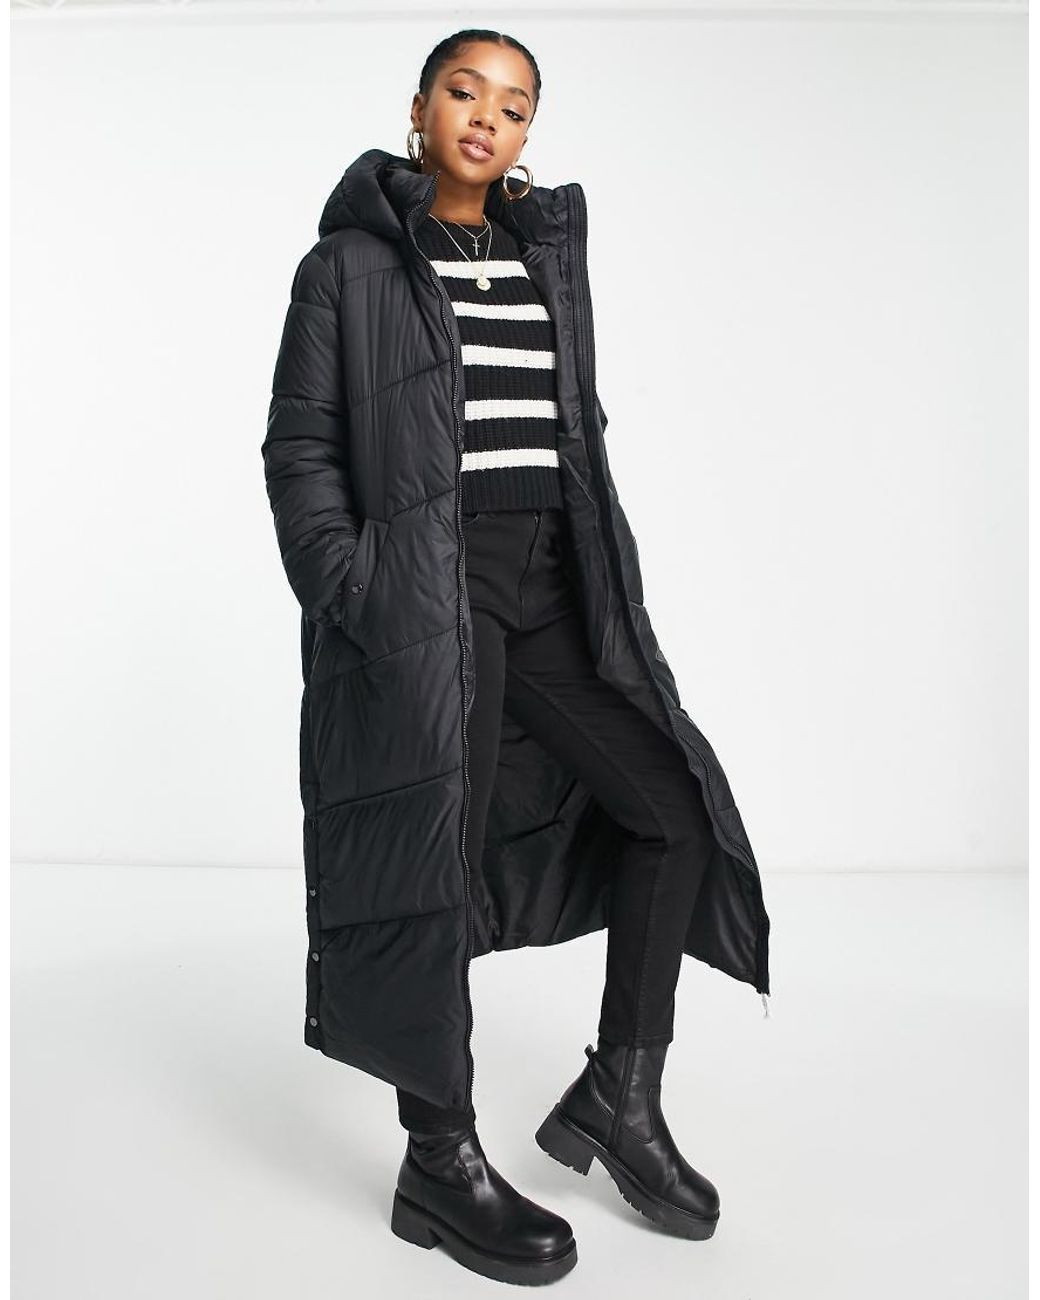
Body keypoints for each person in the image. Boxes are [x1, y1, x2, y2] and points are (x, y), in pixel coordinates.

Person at [262, 27, 770, 1287]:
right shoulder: (348, 267)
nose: (487, 118)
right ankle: (437, 1161)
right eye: (464, 91)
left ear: (527, 133)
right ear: (420, 107)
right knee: (433, 867)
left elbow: (565, 427)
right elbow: (298, 449)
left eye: (515, 105)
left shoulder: (540, 252)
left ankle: (618, 1099)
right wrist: (357, 587)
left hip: (550, 583)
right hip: (428, 594)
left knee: (670, 813)